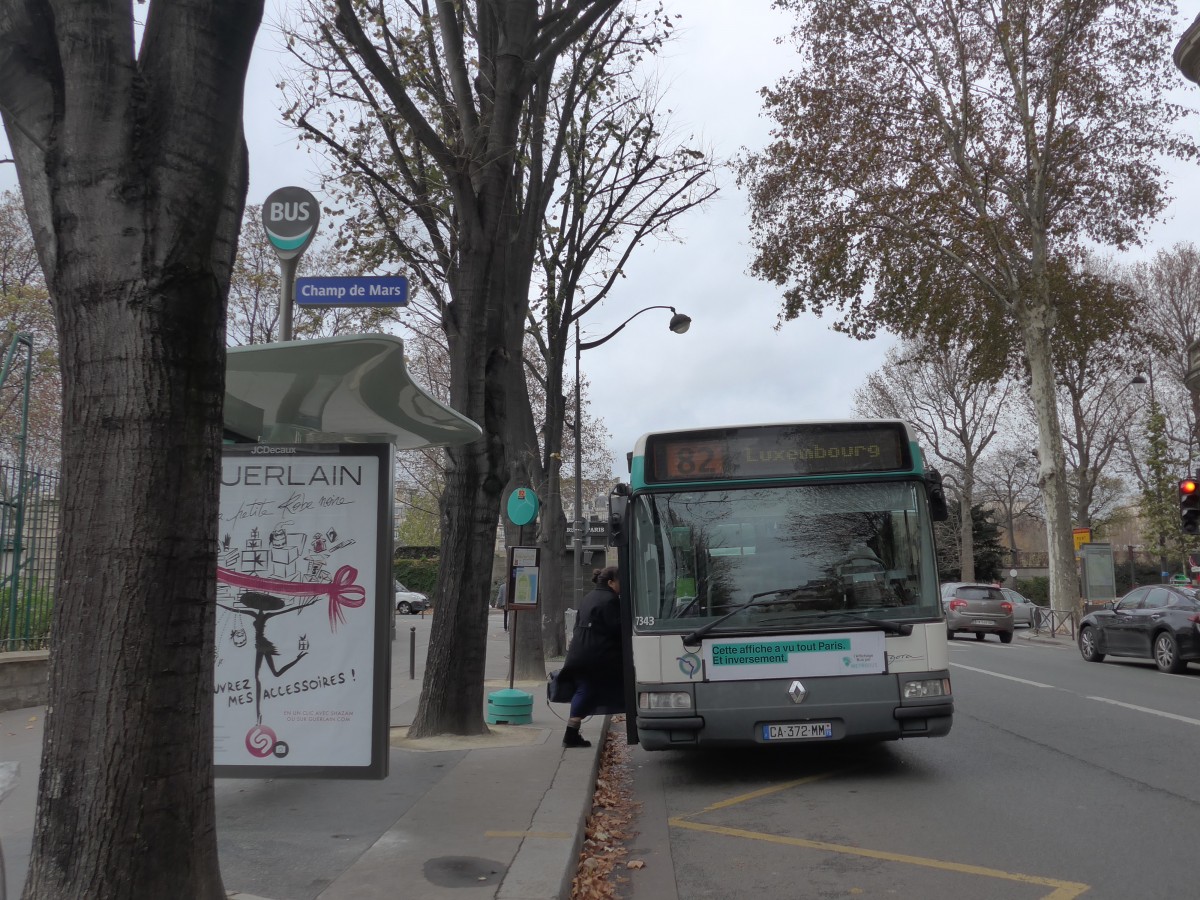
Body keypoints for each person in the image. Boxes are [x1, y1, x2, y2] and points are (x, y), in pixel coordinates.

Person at [558, 565, 625, 748]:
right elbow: (617, 628)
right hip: (597, 654)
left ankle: (571, 733)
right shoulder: (610, 600)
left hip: (580, 651)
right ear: (611, 582)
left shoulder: (589, 597)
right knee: (587, 689)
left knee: (584, 688)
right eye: (621, 581)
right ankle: (570, 734)